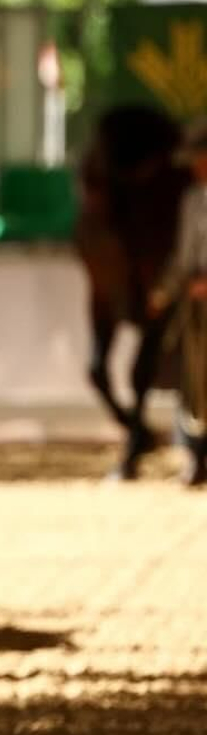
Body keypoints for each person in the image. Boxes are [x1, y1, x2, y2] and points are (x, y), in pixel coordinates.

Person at [150, 117, 207, 486]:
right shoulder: (191, 201)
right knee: (193, 379)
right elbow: (184, 255)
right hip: (195, 298)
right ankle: (196, 455)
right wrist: (167, 289)